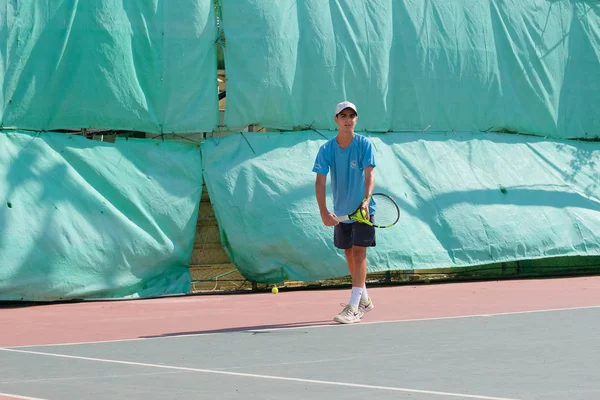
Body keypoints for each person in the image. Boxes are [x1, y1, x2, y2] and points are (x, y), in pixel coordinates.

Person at [313, 101, 376, 324]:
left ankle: (353, 306)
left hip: (362, 210)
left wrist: (366, 201)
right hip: (341, 212)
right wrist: (323, 211)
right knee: (349, 255)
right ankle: (365, 300)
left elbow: (369, 175)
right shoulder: (326, 149)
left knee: (359, 254)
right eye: (343, 115)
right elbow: (320, 182)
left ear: (356, 119)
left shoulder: (364, 144)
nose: (348, 119)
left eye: (352, 115)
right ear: (336, 120)